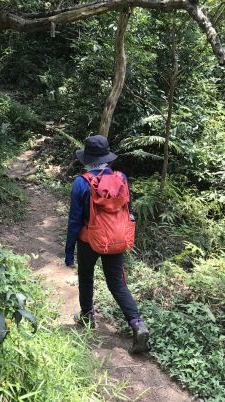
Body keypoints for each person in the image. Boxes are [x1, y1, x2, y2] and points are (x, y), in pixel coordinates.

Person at [65, 134, 149, 354]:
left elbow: (74, 221)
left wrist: (69, 252)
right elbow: (127, 209)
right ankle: (138, 324)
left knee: (86, 275)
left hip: (89, 240)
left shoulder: (82, 182)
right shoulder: (121, 178)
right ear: (107, 157)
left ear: (88, 158)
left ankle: (87, 316)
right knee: (117, 284)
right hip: (116, 239)